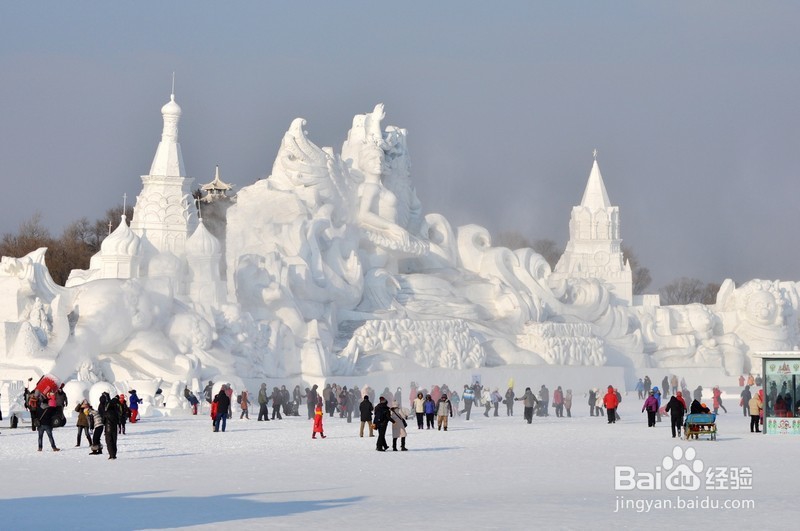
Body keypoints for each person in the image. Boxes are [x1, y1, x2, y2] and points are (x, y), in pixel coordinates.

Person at [103, 394, 123, 459]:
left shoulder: (107, 412)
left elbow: (103, 420)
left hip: (108, 428)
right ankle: (114, 454)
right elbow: (119, 419)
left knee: (109, 441)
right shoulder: (116, 412)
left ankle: (111, 455)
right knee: (114, 441)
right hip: (115, 427)